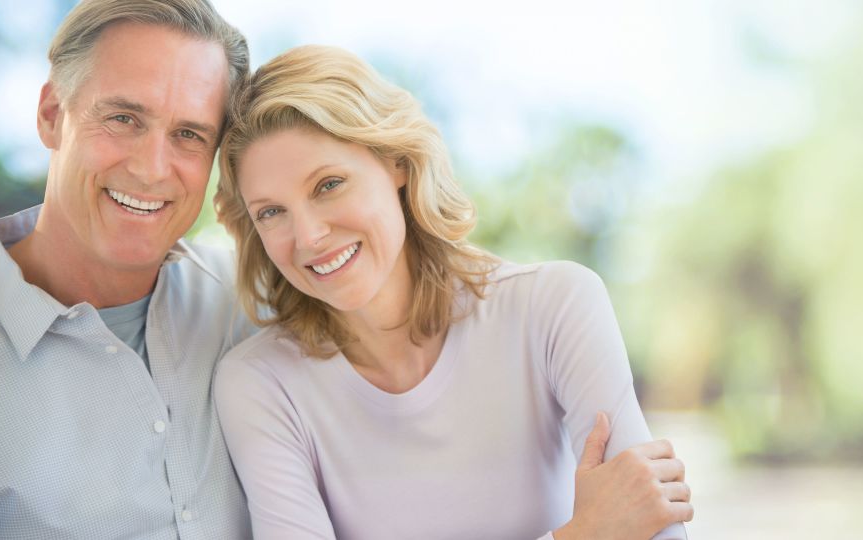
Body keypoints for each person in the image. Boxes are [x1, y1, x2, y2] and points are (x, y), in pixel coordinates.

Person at [214, 45, 693, 540]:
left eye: (329, 184)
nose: (309, 236)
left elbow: (652, 524)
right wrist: (583, 534)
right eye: (271, 212)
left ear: (396, 162)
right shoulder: (260, 384)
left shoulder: (554, 307)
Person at [0, 0, 254, 538]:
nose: (150, 168)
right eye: (123, 118)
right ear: (52, 115)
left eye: (189, 134)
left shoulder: (252, 306)